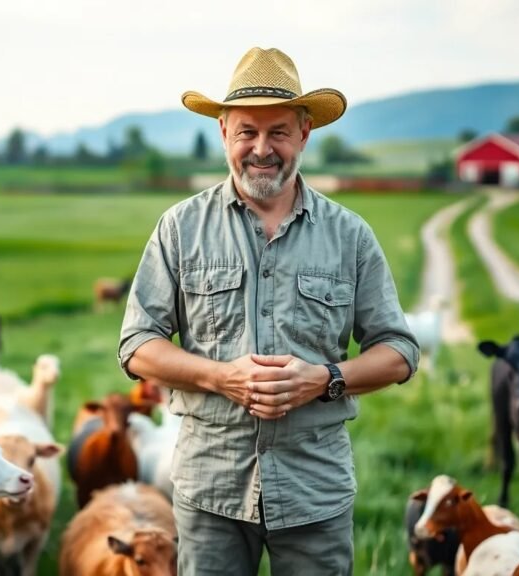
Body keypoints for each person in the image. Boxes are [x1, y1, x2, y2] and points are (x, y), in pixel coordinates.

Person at [118, 47, 419, 576]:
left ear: (304, 133)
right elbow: (138, 344)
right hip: (210, 489)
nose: (262, 149)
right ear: (223, 133)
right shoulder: (180, 228)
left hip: (315, 490)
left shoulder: (349, 236)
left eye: (278, 131)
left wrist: (323, 380)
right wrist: (220, 377)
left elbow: (399, 351)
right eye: (246, 132)